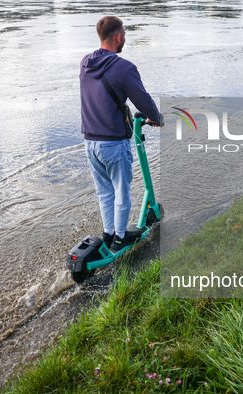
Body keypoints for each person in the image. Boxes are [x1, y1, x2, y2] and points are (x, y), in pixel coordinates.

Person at [80, 16, 162, 252]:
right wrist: (156, 118)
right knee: (121, 191)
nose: (124, 37)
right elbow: (143, 101)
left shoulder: (86, 63)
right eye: (124, 33)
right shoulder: (124, 68)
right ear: (118, 37)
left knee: (104, 192)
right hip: (113, 143)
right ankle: (121, 237)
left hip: (90, 142)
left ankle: (108, 234)